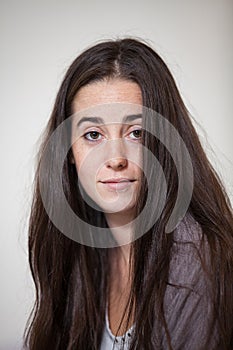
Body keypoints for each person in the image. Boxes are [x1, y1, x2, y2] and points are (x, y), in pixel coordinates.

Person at [23, 38, 233, 350]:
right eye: (93, 135)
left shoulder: (198, 259)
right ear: (68, 150)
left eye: (137, 133)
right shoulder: (79, 249)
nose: (116, 158)